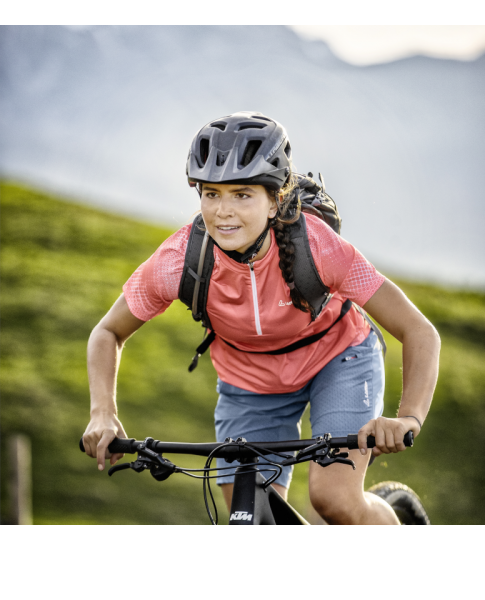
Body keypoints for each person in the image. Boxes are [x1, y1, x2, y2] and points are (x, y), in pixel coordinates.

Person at [83, 111, 440, 525]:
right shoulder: (180, 258)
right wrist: (102, 412)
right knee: (248, 517)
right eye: (211, 194)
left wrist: (409, 416)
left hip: (339, 360)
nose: (222, 211)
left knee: (334, 500)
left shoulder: (318, 245)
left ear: (274, 200)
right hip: (250, 384)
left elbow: (418, 330)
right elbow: (108, 331)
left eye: (242, 194)